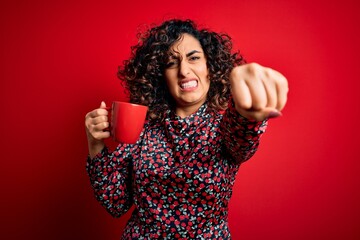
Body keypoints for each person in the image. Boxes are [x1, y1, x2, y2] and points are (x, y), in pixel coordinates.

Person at [85, 19, 288, 239]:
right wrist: (95, 142)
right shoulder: (142, 128)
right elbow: (116, 204)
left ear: (210, 67)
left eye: (193, 58)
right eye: (171, 63)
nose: (183, 70)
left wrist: (247, 112)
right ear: (161, 76)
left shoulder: (224, 128)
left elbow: (241, 135)